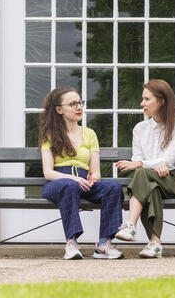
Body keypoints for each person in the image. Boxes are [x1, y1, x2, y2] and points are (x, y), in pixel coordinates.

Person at [39, 86, 124, 259]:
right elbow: (48, 173)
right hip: (58, 182)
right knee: (69, 186)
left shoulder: (89, 134)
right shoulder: (50, 135)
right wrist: (74, 178)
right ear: (59, 109)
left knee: (113, 188)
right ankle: (71, 243)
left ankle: (103, 244)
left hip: (84, 181)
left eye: (80, 102)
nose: (79, 107)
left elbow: (96, 171)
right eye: (72, 104)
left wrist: (93, 178)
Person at [113, 79, 175, 258]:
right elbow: (137, 157)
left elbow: (168, 160)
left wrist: (143, 164)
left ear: (161, 101)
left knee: (142, 172)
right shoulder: (139, 128)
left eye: (147, 99)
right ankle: (155, 243)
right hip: (150, 181)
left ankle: (130, 223)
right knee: (150, 187)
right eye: (142, 99)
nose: (142, 103)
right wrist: (148, 164)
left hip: (171, 182)